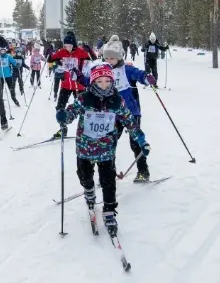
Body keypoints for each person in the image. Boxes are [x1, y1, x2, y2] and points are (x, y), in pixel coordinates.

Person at [56, 63, 150, 236]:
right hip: (84, 147)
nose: (105, 84)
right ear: (93, 82)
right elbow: (72, 111)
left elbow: (129, 121)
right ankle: (89, 192)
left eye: (108, 81)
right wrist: (64, 115)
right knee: (84, 175)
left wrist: (141, 139)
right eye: (100, 81)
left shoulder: (116, 101)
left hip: (106, 149)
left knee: (108, 182)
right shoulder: (84, 98)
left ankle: (109, 211)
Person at [101, 35, 155, 182]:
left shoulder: (127, 69)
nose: (109, 61)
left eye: (112, 58)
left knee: (136, 143)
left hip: (131, 112)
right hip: (112, 114)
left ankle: (143, 171)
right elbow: (91, 80)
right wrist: (79, 77)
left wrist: (146, 77)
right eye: (106, 58)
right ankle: (108, 172)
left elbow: (138, 74)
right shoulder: (103, 70)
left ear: (119, 57)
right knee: (109, 143)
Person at [48, 31, 92, 137]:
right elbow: (52, 59)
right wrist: (51, 56)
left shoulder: (80, 52)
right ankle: (63, 128)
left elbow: (89, 60)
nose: (67, 47)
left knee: (84, 108)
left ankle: (86, 130)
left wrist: (86, 61)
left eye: (70, 45)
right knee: (60, 108)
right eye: (66, 45)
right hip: (66, 85)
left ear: (74, 45)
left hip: (79, 85)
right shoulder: (62, 52)